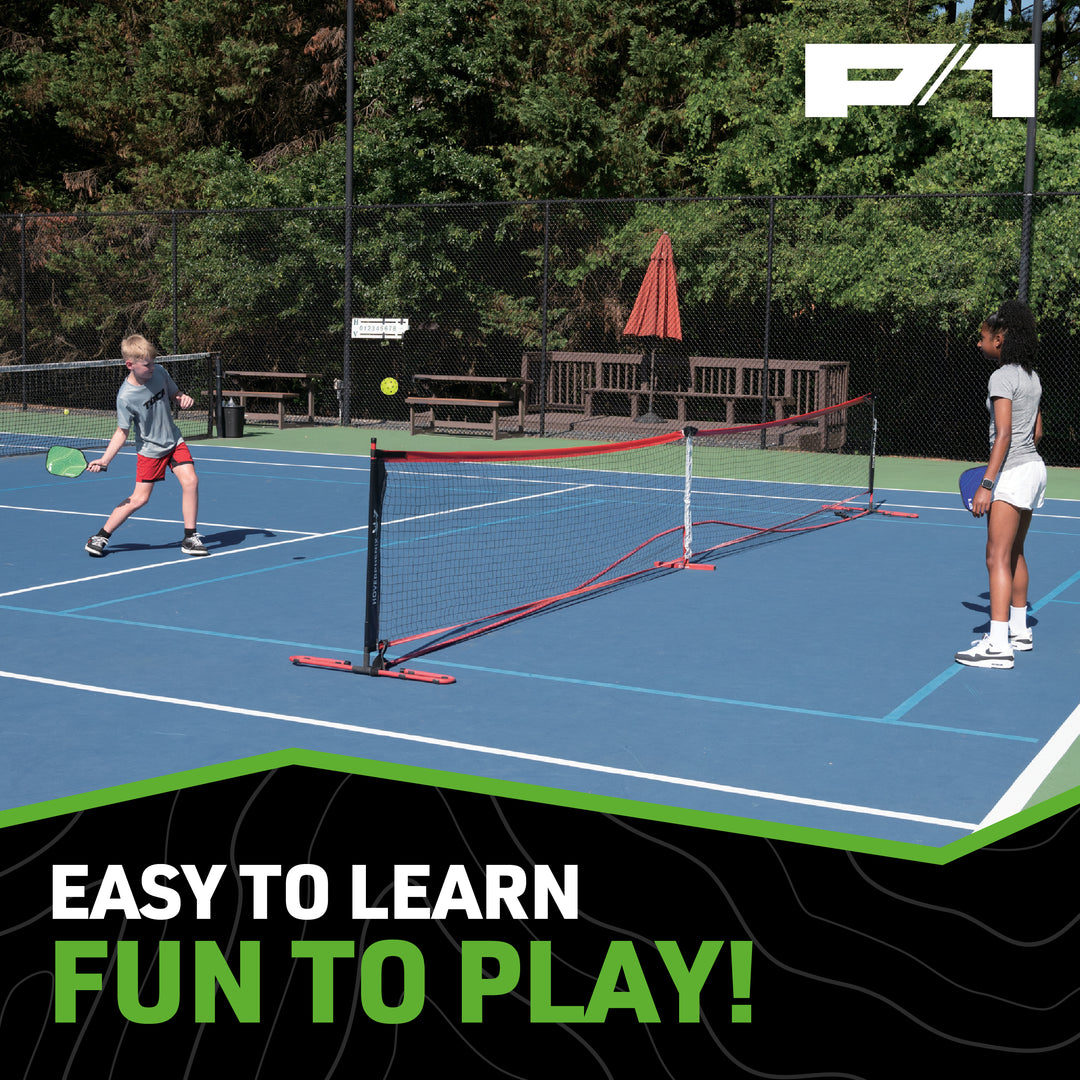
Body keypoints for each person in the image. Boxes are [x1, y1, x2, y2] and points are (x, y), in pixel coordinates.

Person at [955, 301, 1044, 669]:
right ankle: (1020, 631)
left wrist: (988, 483)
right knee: (1015, 552)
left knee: (996, 556)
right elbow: (1036, 433)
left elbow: (1004, 434)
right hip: (1034, 469)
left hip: (1013, 472)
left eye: (984, 337)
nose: (979, 343)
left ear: (1000, 339)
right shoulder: (1032, 376)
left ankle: (998, 646)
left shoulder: (1002, 377)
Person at [84, 334, 209, 558]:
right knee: (140, 499)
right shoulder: (125, 397)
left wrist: (183, 398)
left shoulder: (159, 372)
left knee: (191, 481)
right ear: (130, 365)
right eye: (146, 365)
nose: (152, 367)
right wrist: (104, 459)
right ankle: (100, 536)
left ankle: (190, 538)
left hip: (174, 441)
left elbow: (175, 393)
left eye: (153, 362)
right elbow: (122, 432)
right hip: (150, 450)